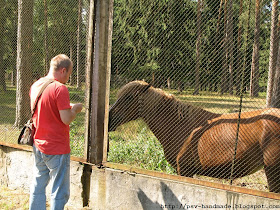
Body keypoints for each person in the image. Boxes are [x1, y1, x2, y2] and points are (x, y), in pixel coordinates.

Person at [29, 54, 83, 210]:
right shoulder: (60, 88)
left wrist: (67, 106)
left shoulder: (37, 85)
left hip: (39, 145)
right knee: (59, 189)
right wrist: (75, 109)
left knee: (38, 185)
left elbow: (46, 107)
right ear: (63, 70)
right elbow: (66, 119)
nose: (68, 78)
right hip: (57, 148)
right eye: (69, 74)